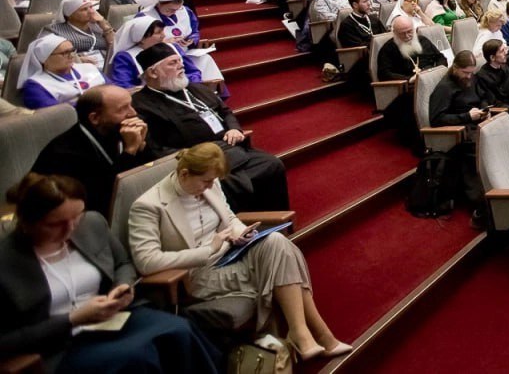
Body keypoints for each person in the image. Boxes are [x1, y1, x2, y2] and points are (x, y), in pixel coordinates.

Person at [128, 144, 351, 360]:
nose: (209, 187)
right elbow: (146, 262)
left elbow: (229, 217)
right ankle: (317, 335)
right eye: (205, 182)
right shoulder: (148, 206)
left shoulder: (210, 182)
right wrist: (208, 249)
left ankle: (303, 333)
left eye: (212, 182)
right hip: (197, 274)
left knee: (276, 241)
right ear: (184, 174)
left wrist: (240, 232)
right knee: (281, 263)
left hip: (231, 253)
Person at [0, 173, 220, 374]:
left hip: (111, 320)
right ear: (28, 223)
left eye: (77, 216)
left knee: (180, 330)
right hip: (59, 344)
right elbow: (7, 341)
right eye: (56, 224)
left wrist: (121, 287)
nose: (70, 229)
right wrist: (74, 319)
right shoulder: (7, 261)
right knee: (138, 358)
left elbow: (122, 264)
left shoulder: (91, 223)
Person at [129, 44, 289, 211]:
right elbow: (155, 149)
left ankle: (277, 223)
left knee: (272, 164)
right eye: (172, 63)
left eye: (180, 61)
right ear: (153, 73)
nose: (181, 65)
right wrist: (193, 158)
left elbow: (225, 111)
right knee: (231, 184)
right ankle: (245, 226)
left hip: (230, 150)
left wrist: (234, 128)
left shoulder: (195, 89)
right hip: (197, 163)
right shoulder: (142, 105)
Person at [32, 85, 156, 217]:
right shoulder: (65, 155)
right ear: (95, 118)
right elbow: (104, 199)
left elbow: (149, 177)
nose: (133, 113)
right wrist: (130, 151)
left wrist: (141, 147)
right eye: (122, 109)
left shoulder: (114, 132)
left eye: (130, 105)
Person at [106, 17, 202, 89]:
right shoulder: (126, 57)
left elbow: (193, 72)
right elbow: (123, 85)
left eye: (163, 31)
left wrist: (185, 84)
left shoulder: (173, 47)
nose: (163, 35)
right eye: (158, 33)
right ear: (141, 38)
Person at [21, 36, 107, 110]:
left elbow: (114, 88)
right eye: (65, 53)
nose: (71, 56)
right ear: (45, 59)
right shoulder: (36, 85)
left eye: (72, 51)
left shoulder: (88, 67)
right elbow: (58, 114)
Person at [43, 0, 115, 71]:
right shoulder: (54, 30)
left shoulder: (98, 27)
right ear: (69, 14)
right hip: (73, 69)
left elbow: (115, 47)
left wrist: (104, 24)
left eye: (91, 7)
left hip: (106, 67)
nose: (91, 12)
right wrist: (77, 60)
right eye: (84, 9)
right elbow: (46, 56)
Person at [377, 15, 447, 80]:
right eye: (402, 33)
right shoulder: (388, 49)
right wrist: (409, 79)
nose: (407, 36)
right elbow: (384, 74)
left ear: (414, 29)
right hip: (408, 87)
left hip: (432, 79)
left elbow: (441, 58)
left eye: (409, 31)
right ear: (395, 33)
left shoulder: (423, 40)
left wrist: (436, 72)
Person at [473, 39, 509, 116]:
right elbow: (494, 104)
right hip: (502, 114)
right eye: (502, 51)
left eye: (505, 49)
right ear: (492, 57)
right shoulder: (482, 77)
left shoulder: (506, 69)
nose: (506, 53)